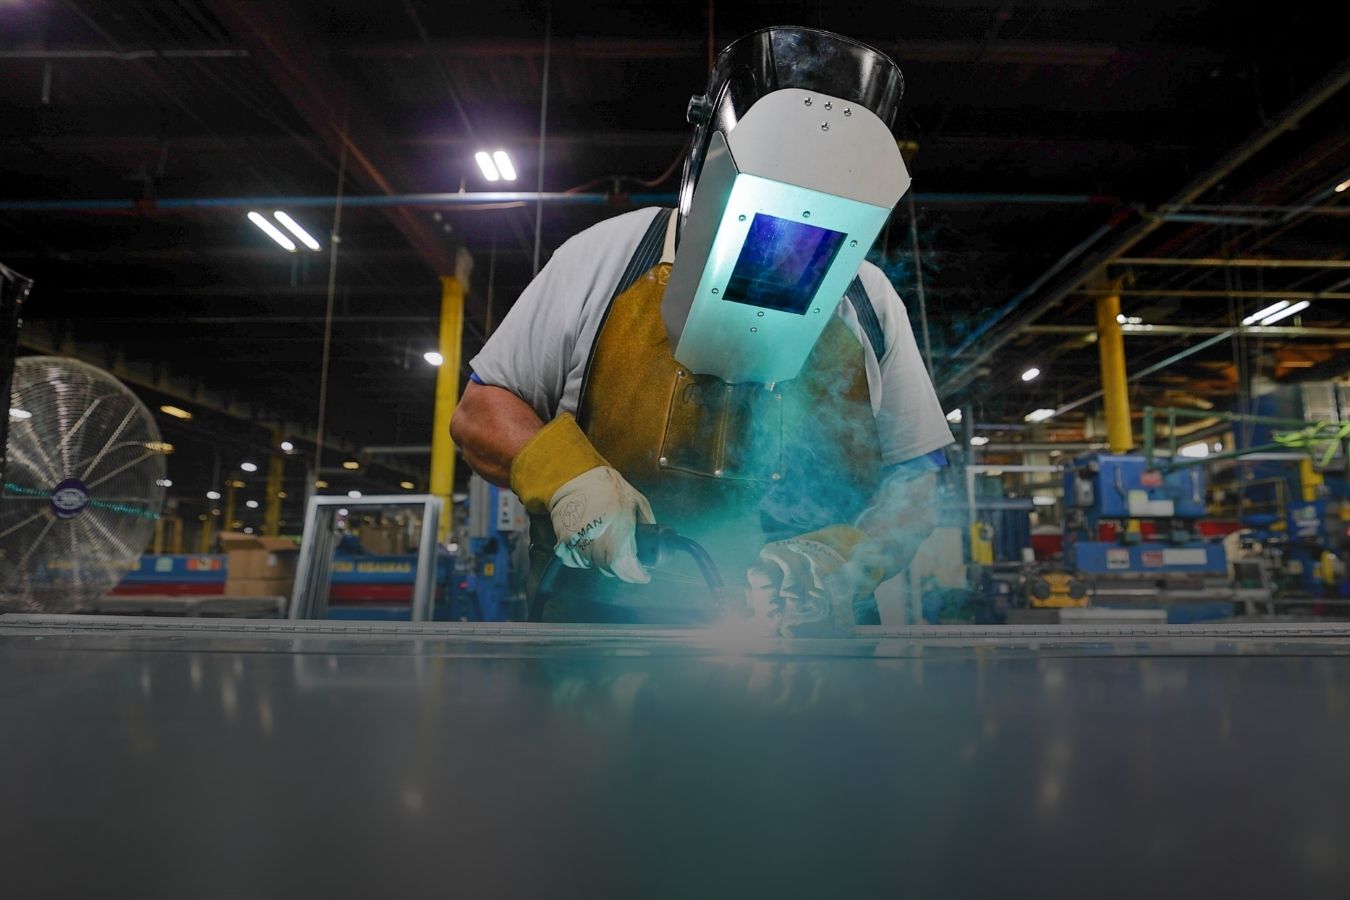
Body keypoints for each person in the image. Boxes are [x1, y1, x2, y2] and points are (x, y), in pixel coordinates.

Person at [451, 26, 953, 632]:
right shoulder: (607, 256)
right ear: (712, 173)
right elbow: (480, 413)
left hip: (810, 647)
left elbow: (919, 481)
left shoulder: (867, 298)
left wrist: (843, 560)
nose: (781, 261)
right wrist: (565, 480)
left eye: (810, 245)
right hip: (600, 639)